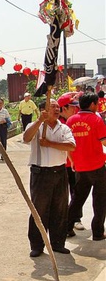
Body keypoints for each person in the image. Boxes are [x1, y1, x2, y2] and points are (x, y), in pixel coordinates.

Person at [22, 99, 76, 257]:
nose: (57, 109)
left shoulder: (64, 128)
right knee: (39, 210)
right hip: (41, 174)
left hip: (59, 173)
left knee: (60, 208)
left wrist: (49, 143)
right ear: (42, 110)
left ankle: (58, 243)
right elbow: (26, 138)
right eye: (53, 106)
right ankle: (37, 245)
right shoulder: (35, 127)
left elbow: (71, 146)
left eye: (58, 107)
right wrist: (40, 120)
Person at [66, 92, 106, 241]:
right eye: (96, 104)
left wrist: (73, 162)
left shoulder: (70, 121)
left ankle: (67, 228)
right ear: (92, 104)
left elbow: (68, 146)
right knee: (100, 200)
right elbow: (104, 142)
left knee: (77, 199)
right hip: (97, 165)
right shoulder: (96, 119)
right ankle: (97, 232)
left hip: (80, 167)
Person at [57, 93, 85, 232]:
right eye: (72, 107)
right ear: (63, 109)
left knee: (76, 192)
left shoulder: (77, 121)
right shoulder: (57, 125)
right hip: (61, 164)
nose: (75, 110)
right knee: (62, 195)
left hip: (75, 164)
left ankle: (76, 219)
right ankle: (64, 222)